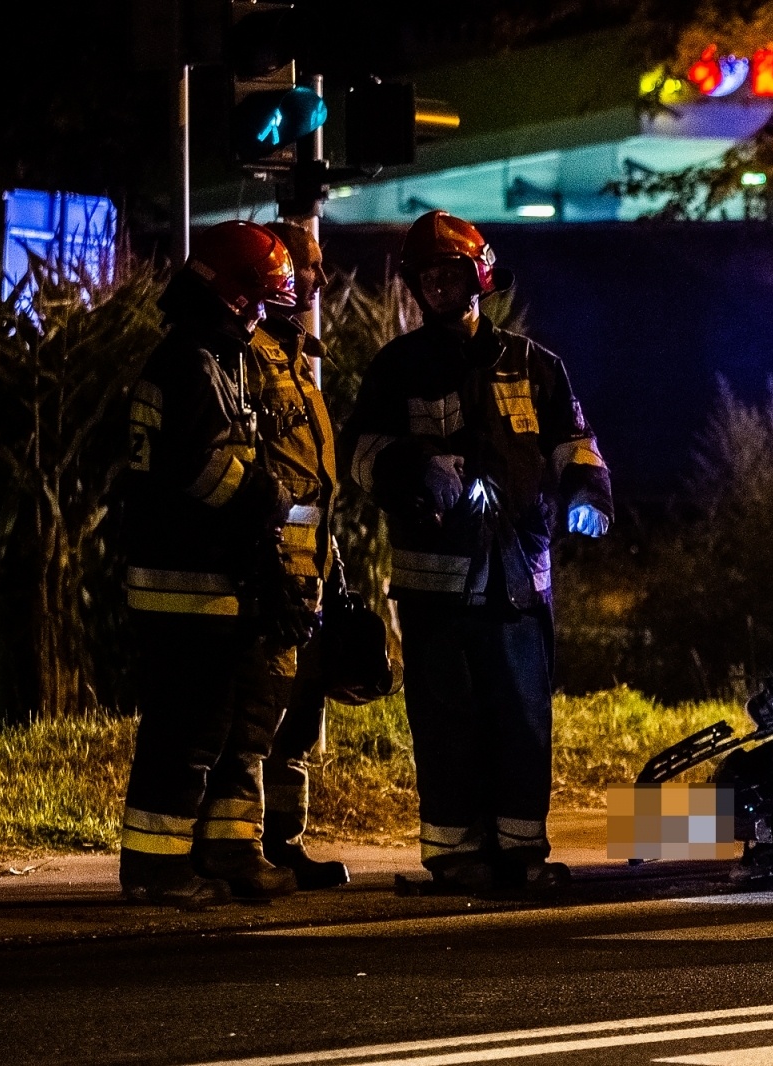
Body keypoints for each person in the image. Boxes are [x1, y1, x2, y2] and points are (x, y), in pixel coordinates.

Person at [341, 211, 612, 895]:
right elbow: (359, 458)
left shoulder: (534, 364)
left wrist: (589, 494)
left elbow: (576, 446)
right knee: (446, 720)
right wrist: (413, 467)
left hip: (519, 581)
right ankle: (455, 853)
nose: (436, 285)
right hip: (436, 587)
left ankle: (522, 851)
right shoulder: (398, 367)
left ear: (478, 275)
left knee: (522, 717)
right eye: (426, 275)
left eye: (449, 272)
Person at [119, 220, 316, 907]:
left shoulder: (194, 355)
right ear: (232, 294)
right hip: (190, 583)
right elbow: (208, 470)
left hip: (195, 581)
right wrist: (272, 495)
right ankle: (157, 869)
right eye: (257, 299)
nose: (261, 314)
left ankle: (191, 860)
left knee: (209, 726)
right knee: (186, 733)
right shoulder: (194, 362)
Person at [196, 219, 351, 892]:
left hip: (308, 561)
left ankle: (284, 842)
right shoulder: (246, 355)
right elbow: (249, 469)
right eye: (307, 265)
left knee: (298, 715)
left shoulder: (294, 354)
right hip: (268, 564)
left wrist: (330, 562)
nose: (317, 278)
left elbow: (311, 476)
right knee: (256, 714)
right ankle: (235, 848)